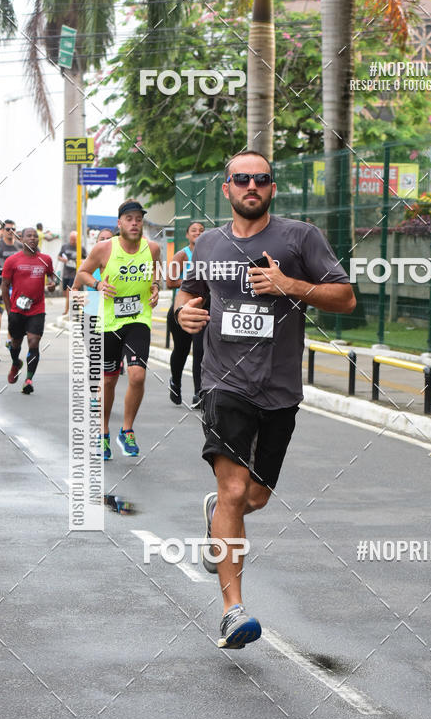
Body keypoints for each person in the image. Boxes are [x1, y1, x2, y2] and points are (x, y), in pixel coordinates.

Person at [175, 151, 355, 650]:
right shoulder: (208, 242)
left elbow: (345, 297)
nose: (251, 185)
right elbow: (188, 297)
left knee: (255, 497)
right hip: (222, 382)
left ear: (272, 189)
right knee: (235, 491)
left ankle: (219, 514)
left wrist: (289, 285)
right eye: (241, 179)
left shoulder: (300, 238)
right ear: (227, 188)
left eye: (261, 179)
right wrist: (185, 316)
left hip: (278, 390)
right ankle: (233, 611)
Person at [75, 200, 160, 460]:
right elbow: (82, 273)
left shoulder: (153, 248)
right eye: (129, 218)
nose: (135, 223)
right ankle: (102, 433)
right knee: (109, 380)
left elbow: (155, 275)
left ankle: (127, 430)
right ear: (119, 223)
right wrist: (98, 285)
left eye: (138, 219)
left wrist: (156, 287)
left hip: (138, 320)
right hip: (109, 322)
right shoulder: (104, 248)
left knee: (136, 376)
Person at [1, 227, 56, 393]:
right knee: (16, 343)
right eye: (28, 236)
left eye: (34, 236)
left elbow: (51, 276)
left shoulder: (45, 259)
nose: (32, 238)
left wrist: (52, 285)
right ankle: (16, 362)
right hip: (17, 310)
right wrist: (10, 311)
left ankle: (28, 379)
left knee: (33, 341)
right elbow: (5, 286)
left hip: (37, 309)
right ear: (21, 239)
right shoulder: (12, 261)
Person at [166, 220, 206, 407]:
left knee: (200, 350)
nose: (198, 233)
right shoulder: (182, 255)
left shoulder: (210, 254)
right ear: (188, 235)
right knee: (181, 351)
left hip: (202, 310)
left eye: (201, 230)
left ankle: (198, 393)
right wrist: (192, 283)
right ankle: (175, 382)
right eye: (194, 230)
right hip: (181, 310)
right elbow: (170, 282)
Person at [0, 219, 23, 356]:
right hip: (0, 286)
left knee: (14, 317)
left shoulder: (20, 247)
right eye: (7, 229)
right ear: (3, 230)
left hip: (16, 288)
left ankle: (9, 340)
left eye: (13, 229)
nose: (10, 232)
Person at [58, 231, 87, 315]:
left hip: (75, 274)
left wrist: (80, 261)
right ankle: (76, 307)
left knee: (70, 291)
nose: (72, 241)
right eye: (71, 239)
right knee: (66, 292)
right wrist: (62, 259)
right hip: (66, 273)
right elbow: (59, 256)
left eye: (74, 239)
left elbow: (87, 259)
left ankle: (68, 310)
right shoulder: (65, 247)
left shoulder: (81, 248)